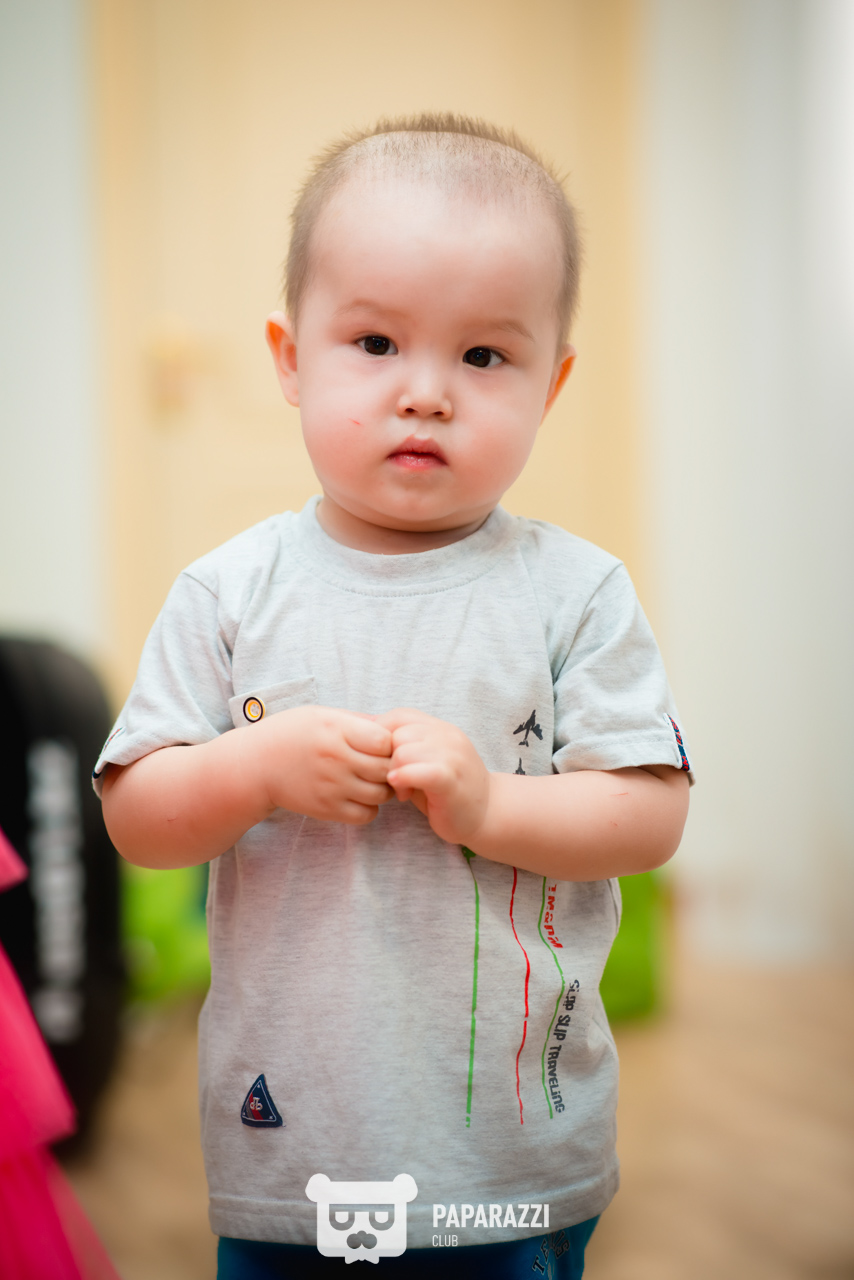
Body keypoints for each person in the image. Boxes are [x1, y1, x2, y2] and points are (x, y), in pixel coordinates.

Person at [95, 114, 691, 1279]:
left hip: (510, 1157)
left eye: (483, 356)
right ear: (289, 358)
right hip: (291, 1147)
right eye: (373, 342)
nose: (425, 393)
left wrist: (490, 804)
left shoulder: (574, 593)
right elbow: (137, 815)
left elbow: (647, 812)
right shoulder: (229, 592)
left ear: (552, 382)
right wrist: (256, 769)